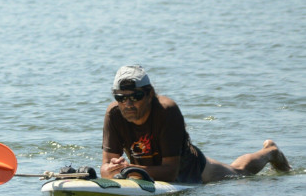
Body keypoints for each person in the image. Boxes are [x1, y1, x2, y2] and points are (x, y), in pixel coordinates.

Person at [101, 65, 290, 183]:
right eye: (121, 98)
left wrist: (128, 171)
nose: (128, 104)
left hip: (190, 167)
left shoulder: (166, 111)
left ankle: (270, 152)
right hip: (142, 170)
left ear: (150, 94)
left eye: (136, 96)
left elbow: (170, 172)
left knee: (240, 174)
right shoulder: (114, 114)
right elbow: (104, 168)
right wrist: (112, 169)